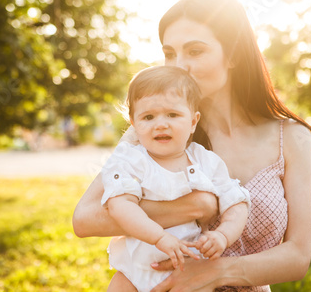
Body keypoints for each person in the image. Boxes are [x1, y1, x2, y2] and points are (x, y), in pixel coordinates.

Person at [73, 0, 311, 291]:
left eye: (195, 51)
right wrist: (196, 205)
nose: (178, 66)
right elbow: (85, 219)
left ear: (233, 55)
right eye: (169, 53)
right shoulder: (154, 134)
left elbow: (297, 256)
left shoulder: (292, 138)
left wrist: (213, 272)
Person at [102, 66, 250, 292]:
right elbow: (120, 205)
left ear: (193, 121)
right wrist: (159, 237)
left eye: (172, 114)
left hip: (189, 270)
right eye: (148, 117)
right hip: (133, 273)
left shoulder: (205, 161)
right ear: (134, 123)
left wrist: (223, 235)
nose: (161, 124)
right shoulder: (130, 160)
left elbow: (237, 202)